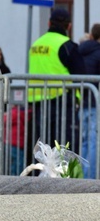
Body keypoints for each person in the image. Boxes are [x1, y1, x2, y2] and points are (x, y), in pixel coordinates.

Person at [28, 8, 85, 154]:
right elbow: (81, 74)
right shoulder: (67, 45)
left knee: (41, 148)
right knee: (64, 149)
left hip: (38, 103)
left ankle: (38, 177)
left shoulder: (36, 44)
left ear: (49, 23)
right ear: (69, 26)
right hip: (63, 103)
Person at [78, 23, 100, 178]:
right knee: (93, 141)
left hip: (83, 101)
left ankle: (82, 175)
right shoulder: (98, 52)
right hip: (94, 102)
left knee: (85, 141)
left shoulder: (80, 50)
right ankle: (90, 177)